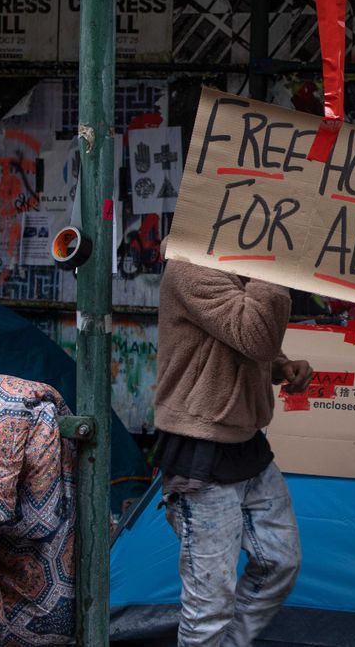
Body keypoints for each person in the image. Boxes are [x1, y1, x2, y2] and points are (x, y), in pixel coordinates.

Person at [152, 241, 313, 647]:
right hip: (199, 449)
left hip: (246, 443)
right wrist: (275, 268)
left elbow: (246, 344)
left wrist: (279, 365)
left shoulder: (240, 261)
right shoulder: (189, 268)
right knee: (209, 610)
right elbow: (252, 332)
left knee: (280, 562)